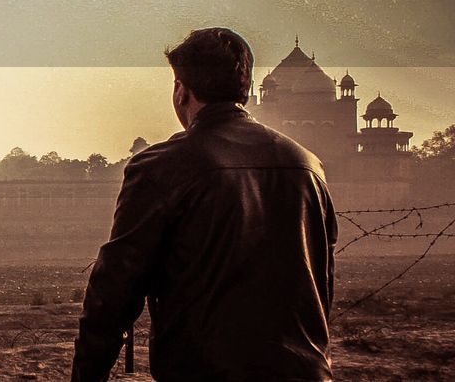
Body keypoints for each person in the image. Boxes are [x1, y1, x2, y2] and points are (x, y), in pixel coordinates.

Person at [71, 27, 337, 381]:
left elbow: (115, 290)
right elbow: (321, 280)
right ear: (244, 87)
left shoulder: (164, 166)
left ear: (181, 91)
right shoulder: (306, 165)